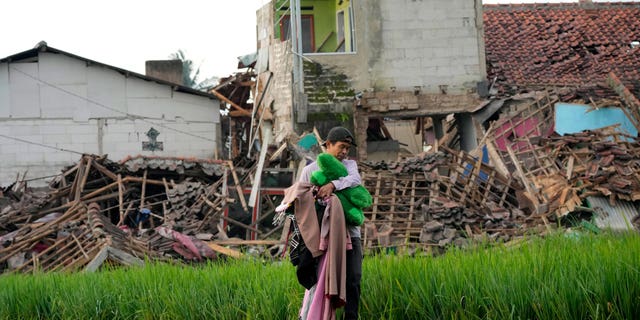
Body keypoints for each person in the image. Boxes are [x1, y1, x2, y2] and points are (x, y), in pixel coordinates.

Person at [298, 126, 363, 320]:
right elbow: (300, 199)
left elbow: (355, 180)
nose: (344, 152)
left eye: (347, 149)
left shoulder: (350, 167)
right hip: (321, 236)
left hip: (350, 234)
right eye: (341, 147)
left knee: (353, 278)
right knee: (319, 280)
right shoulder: (310, 170)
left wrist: (333, 185)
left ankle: (351, 317)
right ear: (328, 144)